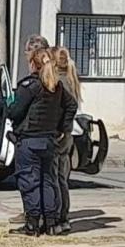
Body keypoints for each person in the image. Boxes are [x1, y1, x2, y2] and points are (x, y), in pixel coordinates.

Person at [8, 48, 77, 236]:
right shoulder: (56, 86)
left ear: (33, 64)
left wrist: (6, 105)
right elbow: (72, 105)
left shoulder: (30, 85)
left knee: (30, 181)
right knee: (48, 181)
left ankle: (32, 224)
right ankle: (52, 223)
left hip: (30, 141)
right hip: (49, 141)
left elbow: (14, 112)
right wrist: (63, 128)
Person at [50, 46, 83, 234]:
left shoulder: (59, 81)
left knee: (55, 177)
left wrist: (60, 128)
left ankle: (58, 216)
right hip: (67, 134)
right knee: (62, 178)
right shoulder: (70, 79)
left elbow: (64, 108)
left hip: (59, 134)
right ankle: (63, 216)